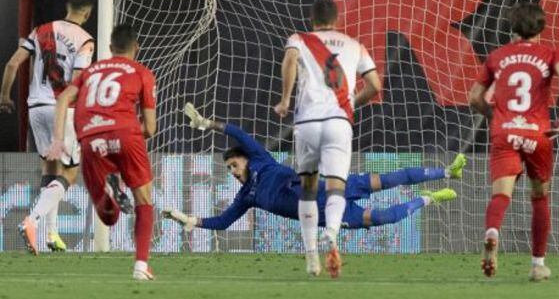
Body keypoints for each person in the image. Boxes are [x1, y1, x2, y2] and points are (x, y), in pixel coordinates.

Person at [164, 105, 461, 234]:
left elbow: (239, 134)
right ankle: (428, 199)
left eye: (233, 164)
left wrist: (207, 124)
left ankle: (447, 172)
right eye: (228, 168)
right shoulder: (247, 196)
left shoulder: (260, 160)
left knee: (386, 179)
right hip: (324, 214)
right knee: (384, 218)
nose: (232, 170)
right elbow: (223, 221)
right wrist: (189, 220)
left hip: (326, 185)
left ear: (244, 159)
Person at [274, 0, 381, 278]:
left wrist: (285, 99)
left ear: (312, 18)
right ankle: (331, 233)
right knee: (336, 188)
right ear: (337, 19)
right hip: (338, 122)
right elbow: (375, 85)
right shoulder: (355, 45)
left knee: (308, 188)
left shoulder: (299, 39)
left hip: (307, 123)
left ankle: (311, 257)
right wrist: (352, 103)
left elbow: (289, 60)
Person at [468, 2, 559, 281]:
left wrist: (497, 116)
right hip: (538, 133)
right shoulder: (551, 54)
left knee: (501, 195)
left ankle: (492, 232)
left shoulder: (497, 56)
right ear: (541, 28)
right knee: (540, 196)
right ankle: (538, 264)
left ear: (512, 28)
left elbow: (474, 97)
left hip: (504, 132)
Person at [49, 23, 156, 280]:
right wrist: (125, 135)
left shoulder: (90, 71)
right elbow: (151, 128)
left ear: (110, 48)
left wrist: (58, 139)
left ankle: (110, 190)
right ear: (136, 48)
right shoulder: (143, 72)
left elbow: (63, 99)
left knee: (108, 219)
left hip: (90, 138)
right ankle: (141, 266)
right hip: (126, 133)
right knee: (144, 199)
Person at [1, 0, 96, 254]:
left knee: (49, 170)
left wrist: (4, 96)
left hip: (35, 108)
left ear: (67, 7)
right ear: (87, 14)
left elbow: (12, 64)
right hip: (61, 110)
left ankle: (49, 235)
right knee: (70, 173)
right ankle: (32, 221)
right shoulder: (85, 40)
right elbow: (76, 83)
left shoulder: (40, 30)